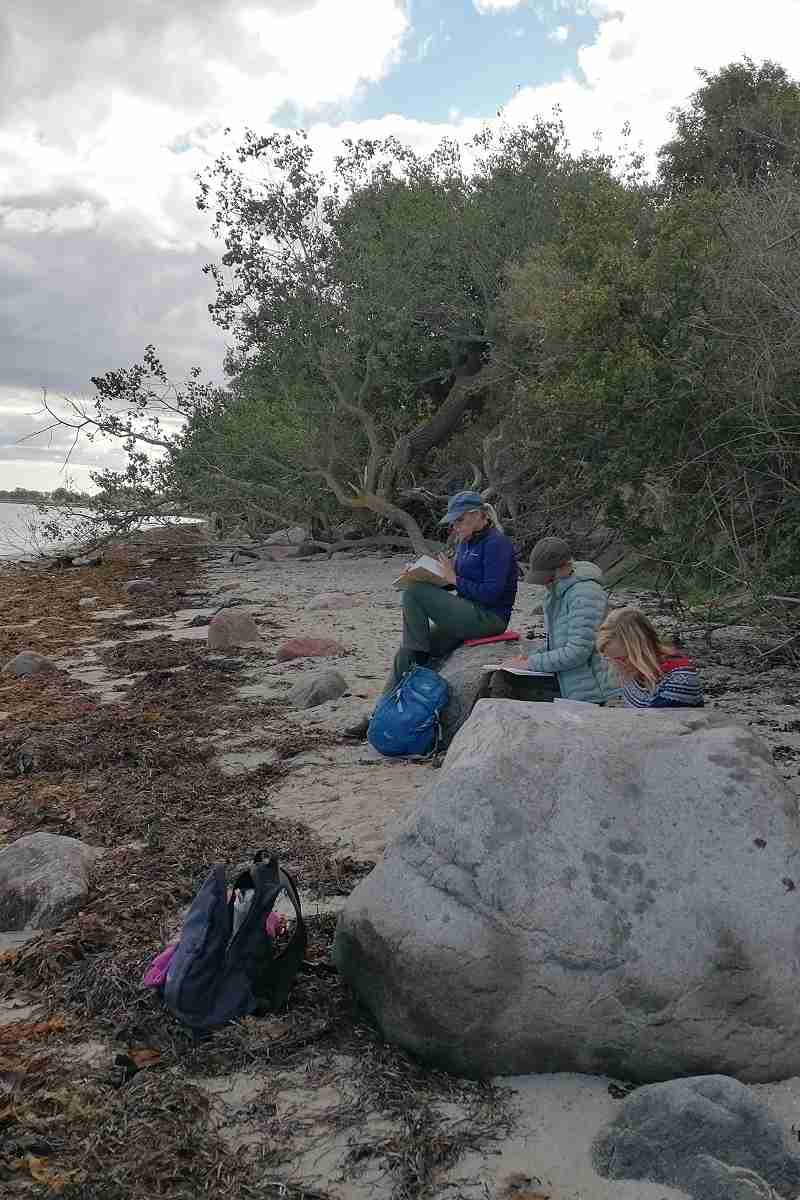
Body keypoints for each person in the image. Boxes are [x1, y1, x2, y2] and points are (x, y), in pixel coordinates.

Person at [344, 490, 519, 737]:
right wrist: (424, 573)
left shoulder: (496, 543)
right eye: (454, 522)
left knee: (414, 593)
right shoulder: (466, 541)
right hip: (467, 612)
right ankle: (378, 716)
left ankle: (420, 649)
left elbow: (490, 593)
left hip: (489, 619)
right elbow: (453, 582)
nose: (455, 526)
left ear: (478, 515)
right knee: (404, 654)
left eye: (459, 520)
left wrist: (453, 579)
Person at [503, 536, 613, 703]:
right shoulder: (559, 590)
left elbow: (577, 653)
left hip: (587, 690)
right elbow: (557, 644)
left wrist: (530, 663)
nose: (545, 584)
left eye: (549, 578)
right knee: (501, 678)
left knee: (506, 688)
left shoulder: (586, 594)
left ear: (566, 567)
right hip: (566, 678)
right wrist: (527, 658)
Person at [595, 607, 704, 708]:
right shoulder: (633, 670)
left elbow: (656, 723)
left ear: (643, 649)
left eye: (622, 658)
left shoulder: (679, 678)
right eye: (610, 658)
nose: (617, 664)